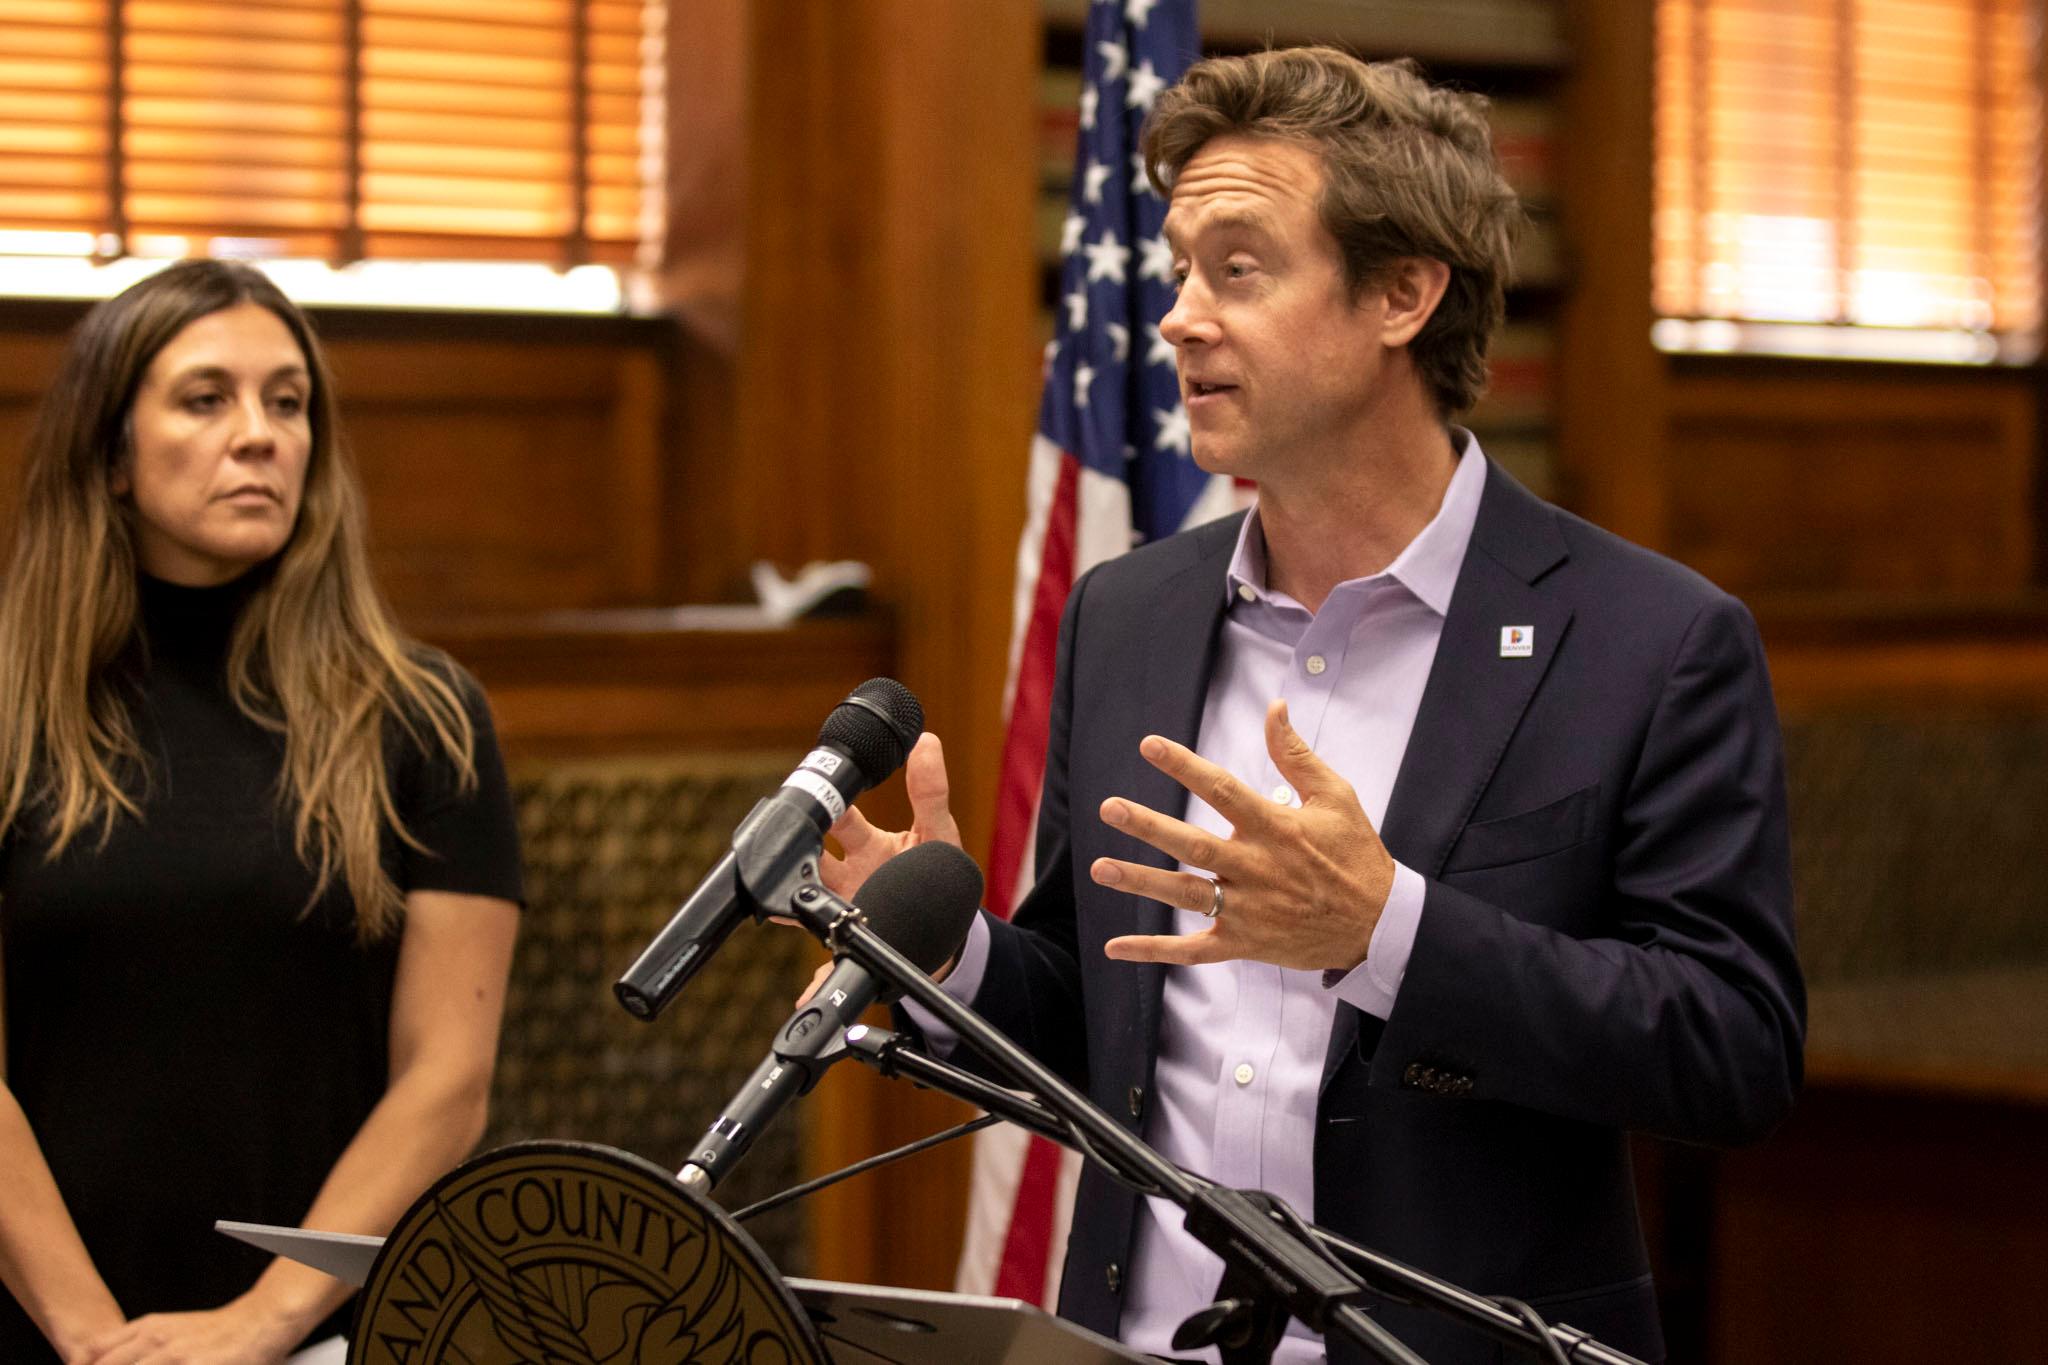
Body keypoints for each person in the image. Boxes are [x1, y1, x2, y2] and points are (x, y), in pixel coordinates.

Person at [821, 48, 1805, 1365]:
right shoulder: (1129, 613)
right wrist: (944, 951)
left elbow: (1730, 1047)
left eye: (1239, 268)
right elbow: (1099, 1015)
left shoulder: (1648, 640)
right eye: (1176, 269)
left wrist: (1385, 929)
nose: (1178, 317)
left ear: (1402, 292)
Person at [0, 260, 524, 1364]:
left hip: (322, 1334)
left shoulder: (422, 714)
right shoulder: (10, 709)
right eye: (206, 398)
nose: (261, 435)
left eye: (288, 403)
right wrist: (91, 1335)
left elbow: (447, 1079)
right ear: (110, 458)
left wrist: (262, 1323)